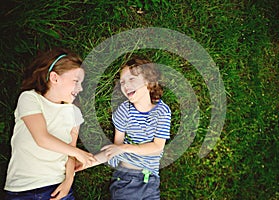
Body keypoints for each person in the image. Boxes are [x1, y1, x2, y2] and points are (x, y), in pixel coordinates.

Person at [4, 48, 96, 200]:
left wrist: (69, 180)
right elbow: (41, 138)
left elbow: (70, 152)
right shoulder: (30, 98)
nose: (80, 89)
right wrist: (80, 153)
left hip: (56, 186)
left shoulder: (74, 113)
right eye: (76, 81)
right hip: (21, 189)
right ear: (55, 78)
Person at [92, 57, 172, 200]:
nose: (125, 85)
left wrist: (125, 148)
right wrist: (86, 163)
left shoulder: (162, 111)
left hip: (151, 180)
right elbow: (116, 148)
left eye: (131, 79)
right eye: (122, 82)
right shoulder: (124, 111)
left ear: (148, 81)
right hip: (126, 179)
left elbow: (157, 147)